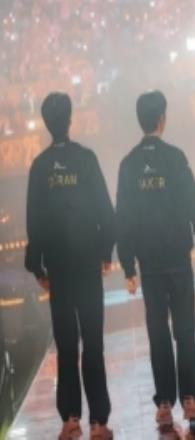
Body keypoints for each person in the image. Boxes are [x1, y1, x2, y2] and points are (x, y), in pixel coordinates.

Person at [116, 90, 195, 436]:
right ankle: (190, 399)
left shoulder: (128, 165)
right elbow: (194, 201)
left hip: (150, 265)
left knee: (158, 333)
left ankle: (164, 403)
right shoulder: (175, 158)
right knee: (185, 330)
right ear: (162, 119)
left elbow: (123, 219)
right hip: (178, 260)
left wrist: (128, 267)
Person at [25, 93, 114, 440]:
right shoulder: (86, 159)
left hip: (58, 268)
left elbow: (35, 221)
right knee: (93, 342)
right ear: (70, 119)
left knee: (65, 344)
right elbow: (105, 209)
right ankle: (99, 423)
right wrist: (106, 250)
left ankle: (70, 420)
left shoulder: (39, 166)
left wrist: (37, 267)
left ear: (46, 124)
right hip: (87, 264)